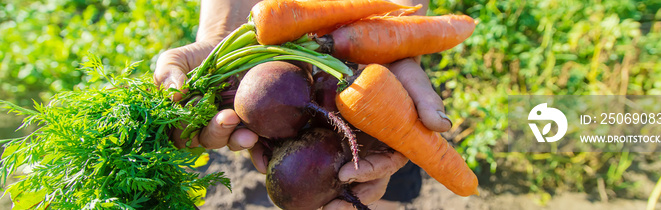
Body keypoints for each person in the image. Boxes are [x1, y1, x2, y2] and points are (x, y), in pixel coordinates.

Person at [154, 0, 449, 209]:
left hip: (371, 82)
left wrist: (393, 34)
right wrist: (222, 33)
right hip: (283, 47)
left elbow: (398, 11)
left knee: (375, 174)